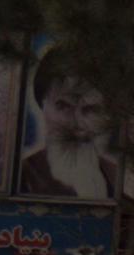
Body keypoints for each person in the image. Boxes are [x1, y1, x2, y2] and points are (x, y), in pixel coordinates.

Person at [18, 46, 117, 200]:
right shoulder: (22, 177)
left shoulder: (115, 176)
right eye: (64, 106)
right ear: (42, 104)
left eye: (90, 109)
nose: (78, 125)